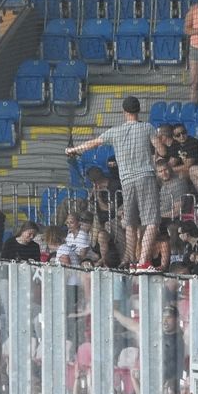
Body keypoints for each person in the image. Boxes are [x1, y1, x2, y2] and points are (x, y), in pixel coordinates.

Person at [66, 96, 163, 272]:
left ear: (124, 112)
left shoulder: (115, 131)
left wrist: (73, 150)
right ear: (139, 110)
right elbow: (162, 150)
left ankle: (132, 261)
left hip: (126, 180)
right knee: (152, 222)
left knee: (131, 224)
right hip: (145, 178)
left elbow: (92, 143)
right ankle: (142, 263)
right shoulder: (147, 127)